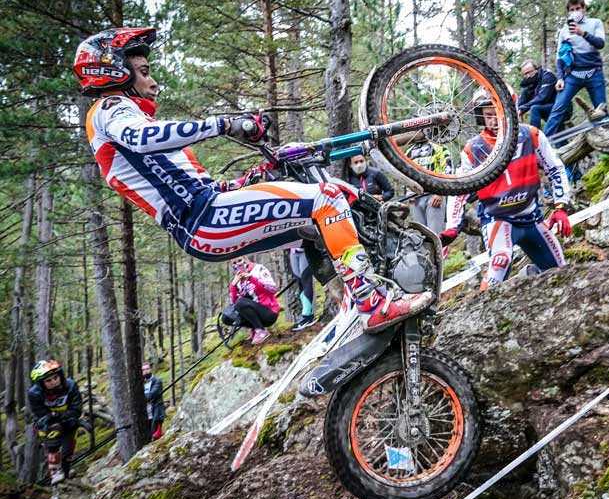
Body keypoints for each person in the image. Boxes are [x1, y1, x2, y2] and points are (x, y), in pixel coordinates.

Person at [73, 27, 430, 334]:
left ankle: (350, 302)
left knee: (317, 223)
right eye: (144, 72)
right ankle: (370, 304)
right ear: (116, 71)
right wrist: (223, 124)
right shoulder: (110, 109)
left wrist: (245, 182)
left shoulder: (122, 121)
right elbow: (142, 140)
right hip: (205, 219)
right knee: (326, 199)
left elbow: (180, 185)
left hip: (205, 218)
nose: (153, 82)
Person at [440, 92, 572, 290]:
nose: (493, 120)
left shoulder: (532, 135)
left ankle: (528, 278)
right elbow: (460, 190)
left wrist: (561, 206)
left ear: (511, 111)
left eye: (498, 113)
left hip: (532, 218)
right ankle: (481, 310)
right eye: (488, 115)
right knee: (501, 259)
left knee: (562, 272)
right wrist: (452, 227)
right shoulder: (473, 148)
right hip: (497, 219)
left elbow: (555, 168)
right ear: (481, 117)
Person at [544, 0, 607, 137]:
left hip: (594, 72)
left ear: (583, 8)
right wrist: (560, 78)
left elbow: (600, 43)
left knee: (601, 110)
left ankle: (608, 140)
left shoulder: (595, 23)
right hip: (573, 75)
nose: (575, 12)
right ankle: (543, 144)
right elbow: (560, 57)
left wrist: (582, 33)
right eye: (571, 10)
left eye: (577, 8)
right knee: (558, 109)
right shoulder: (564, 31)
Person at [28, 360, 82, 484]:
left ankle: (66, 475)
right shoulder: (34, 394)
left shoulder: (71, 386)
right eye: (48, 380)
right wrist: (52, 418)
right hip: (47, 425)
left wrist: (57, 415)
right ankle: (54, 472)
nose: (54, 382)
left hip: (69, 422)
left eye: (55, 377)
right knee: (53, 434)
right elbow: (41, 415)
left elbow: (76, 410)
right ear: (41, 383)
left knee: (67, 453)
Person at [405, 137, 453, 235]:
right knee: (419, 235)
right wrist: (408, 192)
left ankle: (439, 250)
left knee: (435, 234)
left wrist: (440, 192)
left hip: (434, 196)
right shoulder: (409, 152)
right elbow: (405, 173)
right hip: (416, 198)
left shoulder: (439, 147)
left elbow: (448, 170)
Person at [228, 255, 280, 344]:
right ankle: (255, 328)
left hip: (269, 311)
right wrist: (233, 286)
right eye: (234, 263)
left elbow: (272, 289)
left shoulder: (259, 269)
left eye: (239, 260)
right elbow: (234, 304)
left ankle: (261, 330)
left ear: (245, 259)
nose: (238, 264)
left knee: (241, 302)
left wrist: (251, 278)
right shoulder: (237, 280)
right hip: (253, 312)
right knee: (227, 317)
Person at [517, 59, 559, 129]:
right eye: (525, 74)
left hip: (559, 108)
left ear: (536, 69)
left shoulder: (548, 76)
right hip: (548, 110)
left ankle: (535, 136)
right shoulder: (530, 82)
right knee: (558, 136)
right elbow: (523, 98)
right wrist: (518, 109)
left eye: (529, 72)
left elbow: (542, 98)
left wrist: (523, 108)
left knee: (535, 108)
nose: (527, 76)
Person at [289, 247, 318, 331]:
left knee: (306, 279)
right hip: (293, 251)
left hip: (305, 250)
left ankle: (306, 315)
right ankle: (309, 314)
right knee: (300, 282)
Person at [142, 363, 166, 440]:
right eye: (143, 370)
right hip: (144, 415)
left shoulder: (157, 381)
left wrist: (141, 399)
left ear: (151, 369)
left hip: (156, 413)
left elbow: (152, 395)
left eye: (147, 369)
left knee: (155, 438)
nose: (145, 371)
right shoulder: (140, 383)